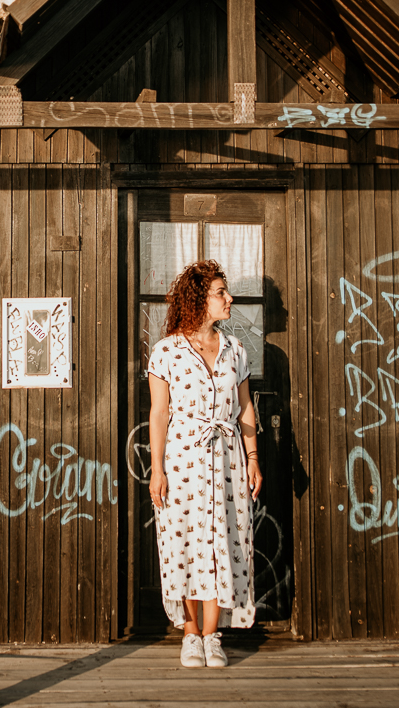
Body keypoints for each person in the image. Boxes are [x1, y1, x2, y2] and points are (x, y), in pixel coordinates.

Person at [147, 260, 262, 669]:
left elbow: (246, 407)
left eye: (225, 292)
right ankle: (191, 634)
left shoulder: (236, 350)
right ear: (199, 299)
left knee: (224, 541)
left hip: (228, 459)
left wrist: (252, 459)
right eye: (220, 293)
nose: (229, 299)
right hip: (183, 460)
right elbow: (159, 414)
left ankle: (214, 636)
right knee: (185, 542)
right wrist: (157, 469)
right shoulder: (166, 352)